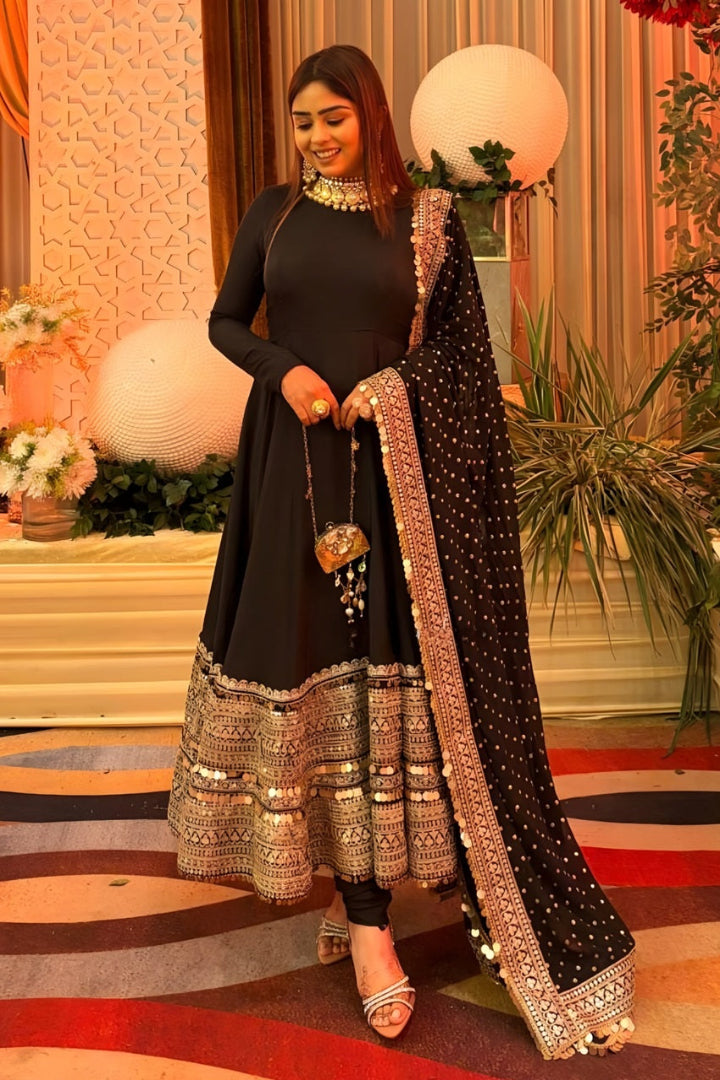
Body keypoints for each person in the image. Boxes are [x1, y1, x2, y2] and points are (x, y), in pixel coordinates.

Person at [169, 43, 636, 1058]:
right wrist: (283, 369)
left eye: (333, 116)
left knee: (393, 683)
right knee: (313, 674)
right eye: (302, 121)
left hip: (400, 493)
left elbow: (465, 358)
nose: (316, 136)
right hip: (294, 480)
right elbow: (224, 322)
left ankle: (372, 917)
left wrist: (392, 395)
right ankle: (359, 900)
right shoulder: (274, 214)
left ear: (370, 116)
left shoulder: (424, 222)